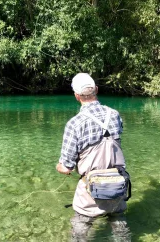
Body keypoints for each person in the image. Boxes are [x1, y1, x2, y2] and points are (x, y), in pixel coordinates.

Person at [56, 73, 131, 242]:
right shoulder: (114, 114)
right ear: (96, 90)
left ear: (76, 96)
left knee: (80, 230)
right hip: (117, 189)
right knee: (120, 227)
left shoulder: (74, 124)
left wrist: (59, 167)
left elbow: (66, 167)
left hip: (90, 196)